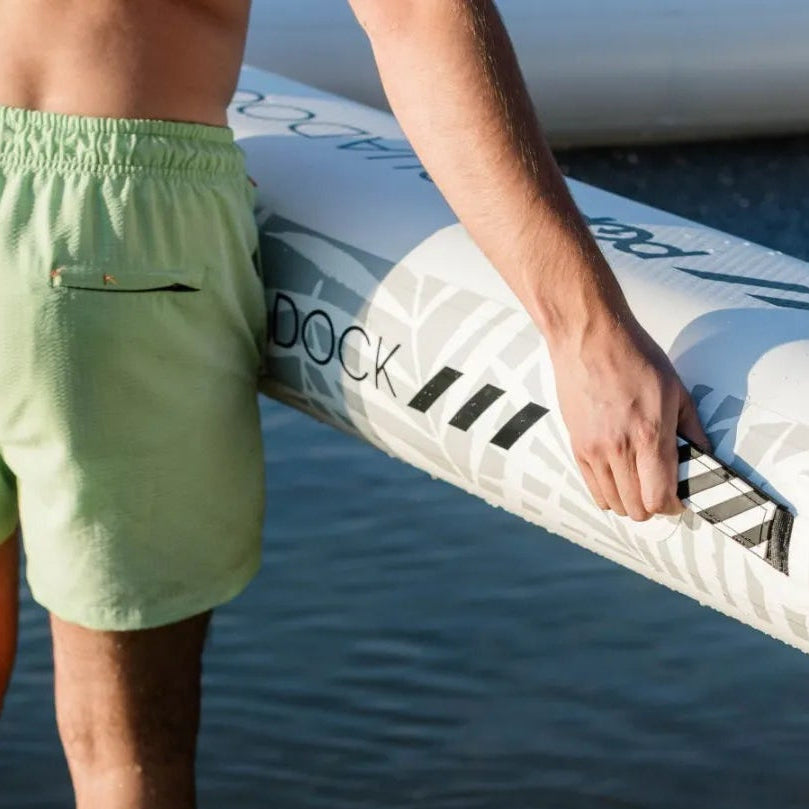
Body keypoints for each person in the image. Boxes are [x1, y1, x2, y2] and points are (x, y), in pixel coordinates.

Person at [0, 1, 709, 806]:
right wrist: (587, 327)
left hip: (93, 203)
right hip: (109, 217)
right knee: (122, 753)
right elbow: (414, 14)